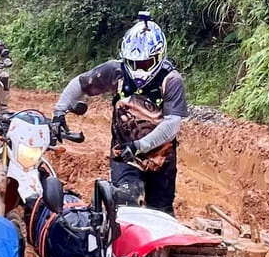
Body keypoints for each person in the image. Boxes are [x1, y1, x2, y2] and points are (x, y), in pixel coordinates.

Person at [53, 12, 188, 212]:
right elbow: (81, 83)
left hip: (161, 160)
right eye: (133, 64)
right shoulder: (116, 71)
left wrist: (140, 145)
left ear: (159, 57)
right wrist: (59, 112)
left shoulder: (171, 80)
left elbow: (171, 124)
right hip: (125, 154)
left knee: (161, 214)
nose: (138, 70)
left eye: (145, 64)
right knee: (126, 201)